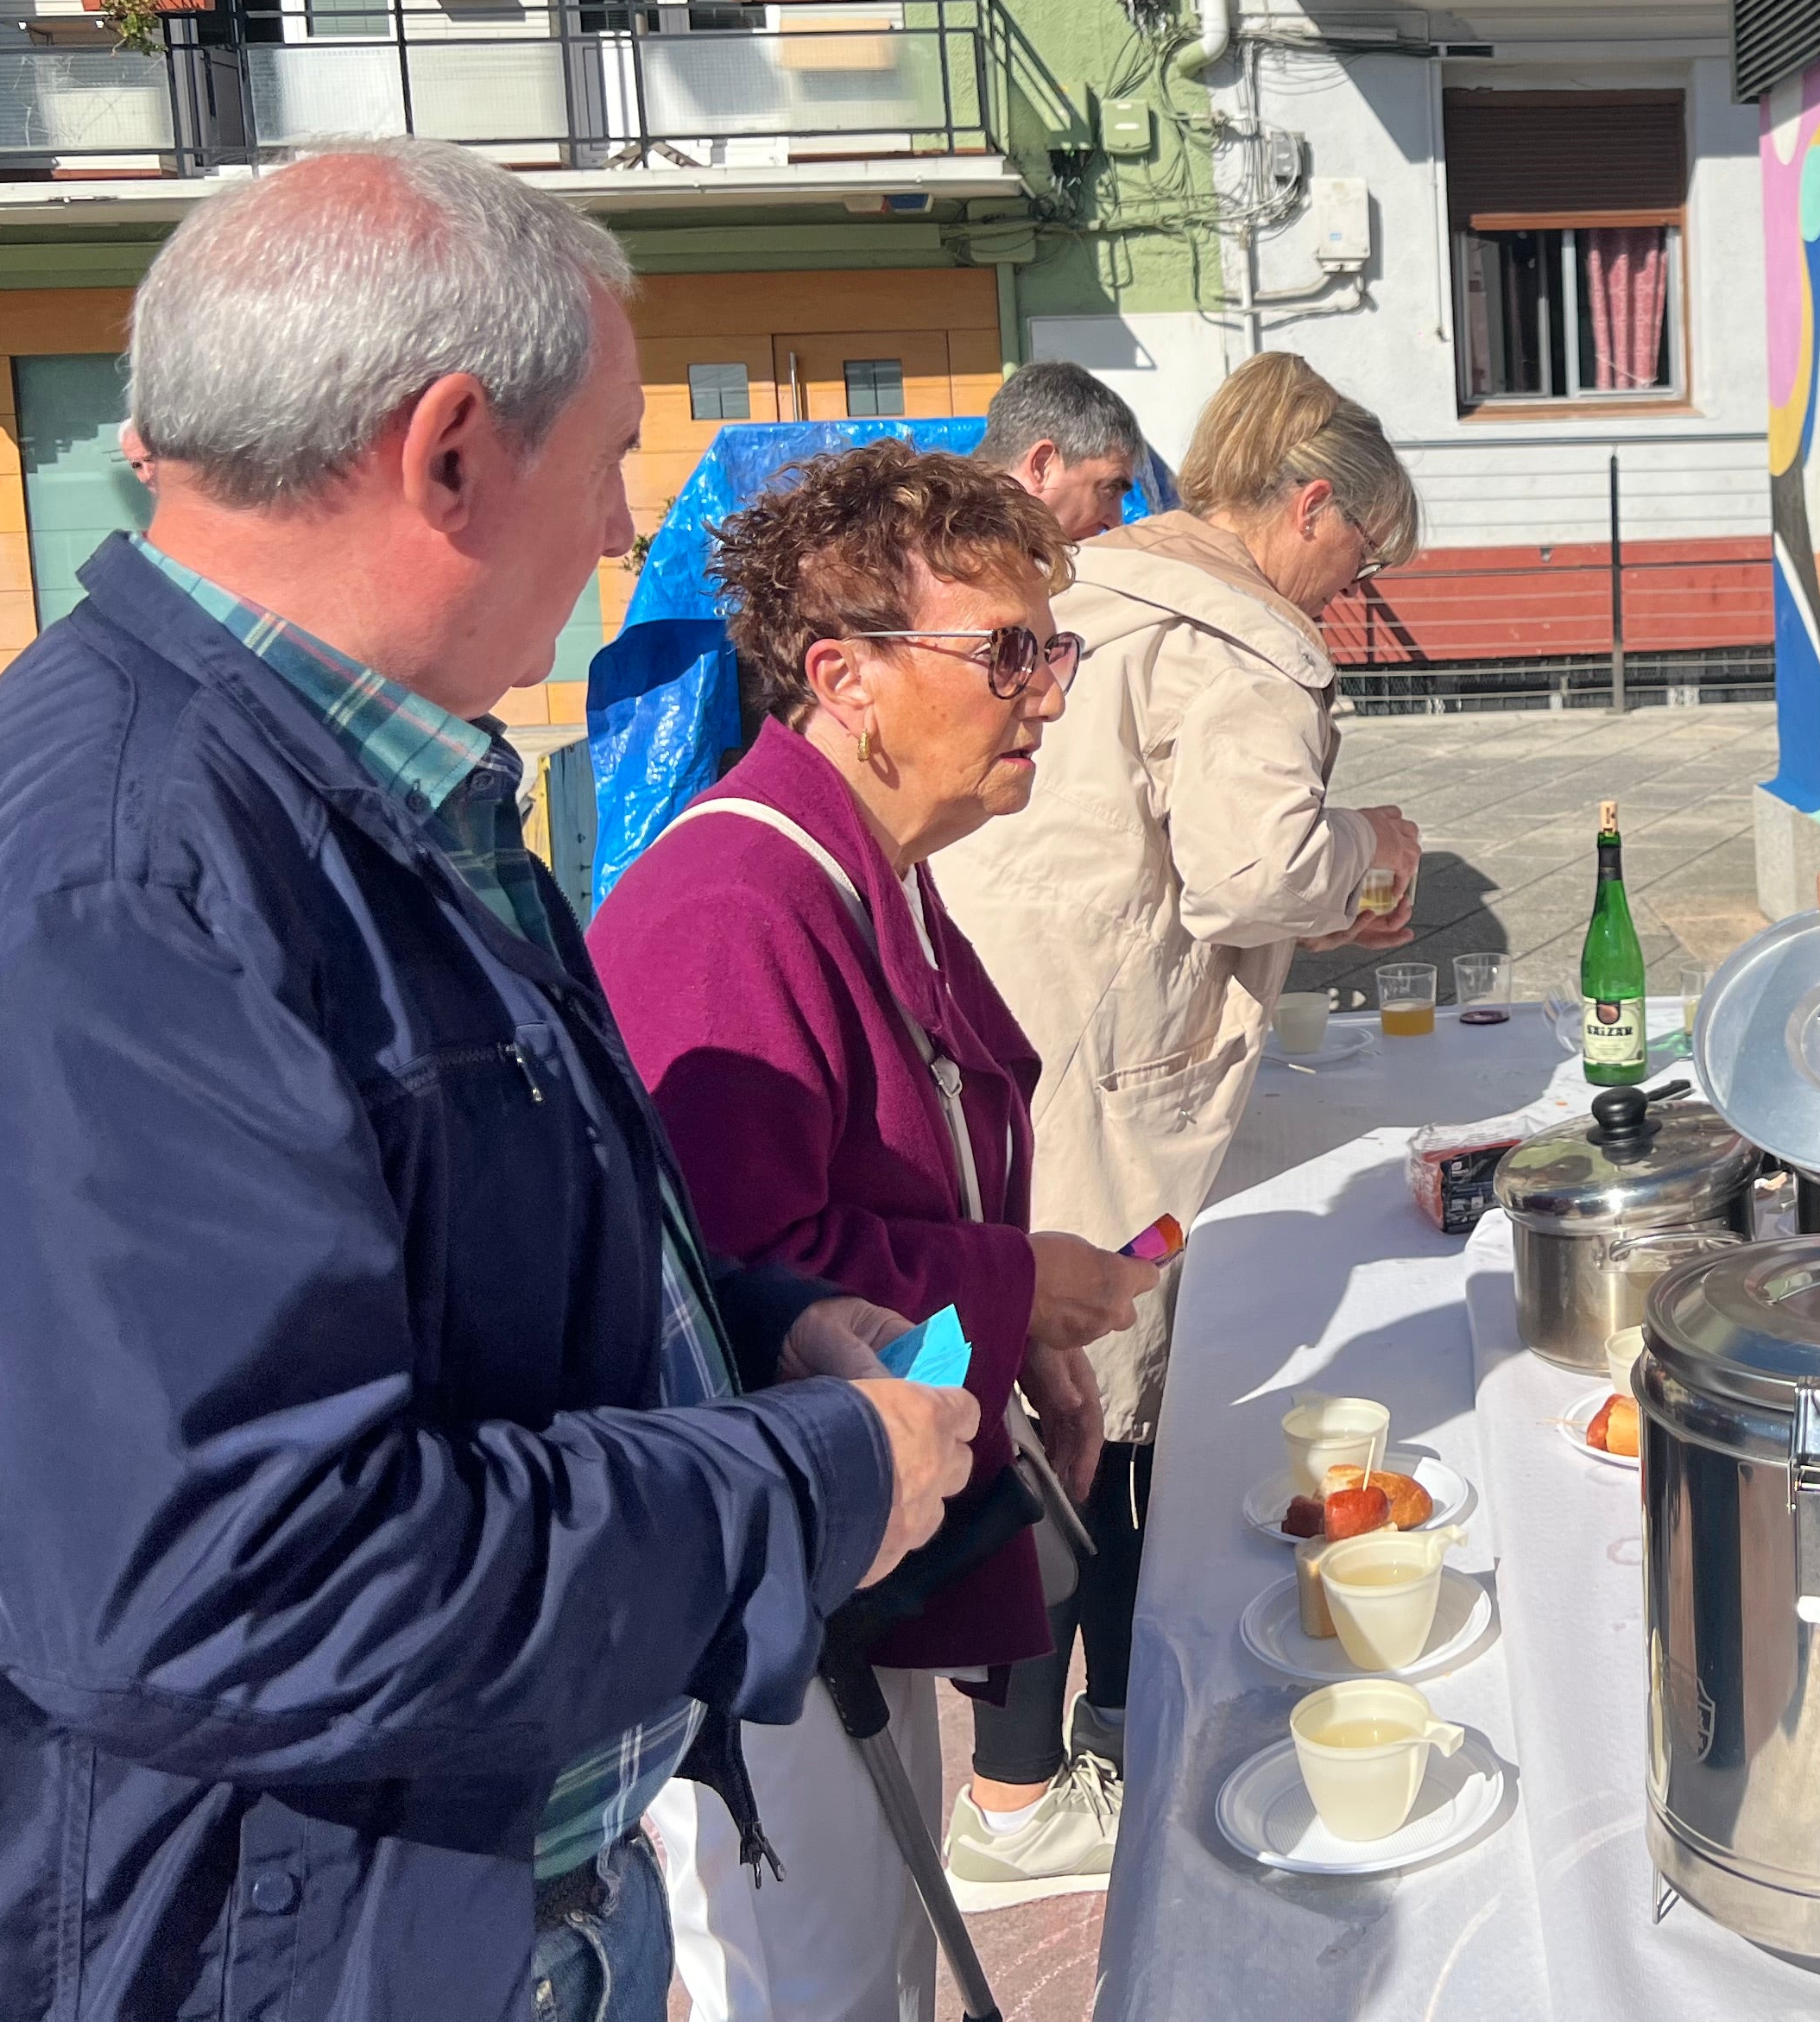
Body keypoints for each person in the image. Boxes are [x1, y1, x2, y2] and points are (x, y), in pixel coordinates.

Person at [0, 142, 974, 2022]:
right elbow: (240, 1574)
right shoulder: (128, 883)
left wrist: (751, 1330)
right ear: (452, 450)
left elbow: (434, 1262)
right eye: (612, 456)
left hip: (466, 1904)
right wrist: (808, 1483)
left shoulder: (355, 778)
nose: (622, 529)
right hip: (287, 1959)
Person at [590, 444, 1160, 2016]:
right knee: (825, 1986)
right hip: (766, 1592)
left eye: (1054, 647)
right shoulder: (730, 907)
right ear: (843, 675)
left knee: (881, 1969)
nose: (1049, 694)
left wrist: (1012, 1334)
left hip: (850, 1547)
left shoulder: (867, 869)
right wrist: (1017, 1288)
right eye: (1009, 653)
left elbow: (911, 1176)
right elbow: (732, 1290)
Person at [926, 351, 1423, 1899]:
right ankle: (1020, 1800)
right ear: (1309, 504)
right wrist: (1370, 848)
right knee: (1088, 1411)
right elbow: (1254, 868)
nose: (1351, 595)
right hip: (1104, 1072)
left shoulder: (1102, 577)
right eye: (1360, 561)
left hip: (1005, 1040)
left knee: (1055, 1396)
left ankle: (1100, 1737)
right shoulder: (1238, 636)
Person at [982, 357, 1147, 541]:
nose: (1116, 523)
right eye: (1110, 489)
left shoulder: (970, 538)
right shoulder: (967, 552)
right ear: (1042, 467)